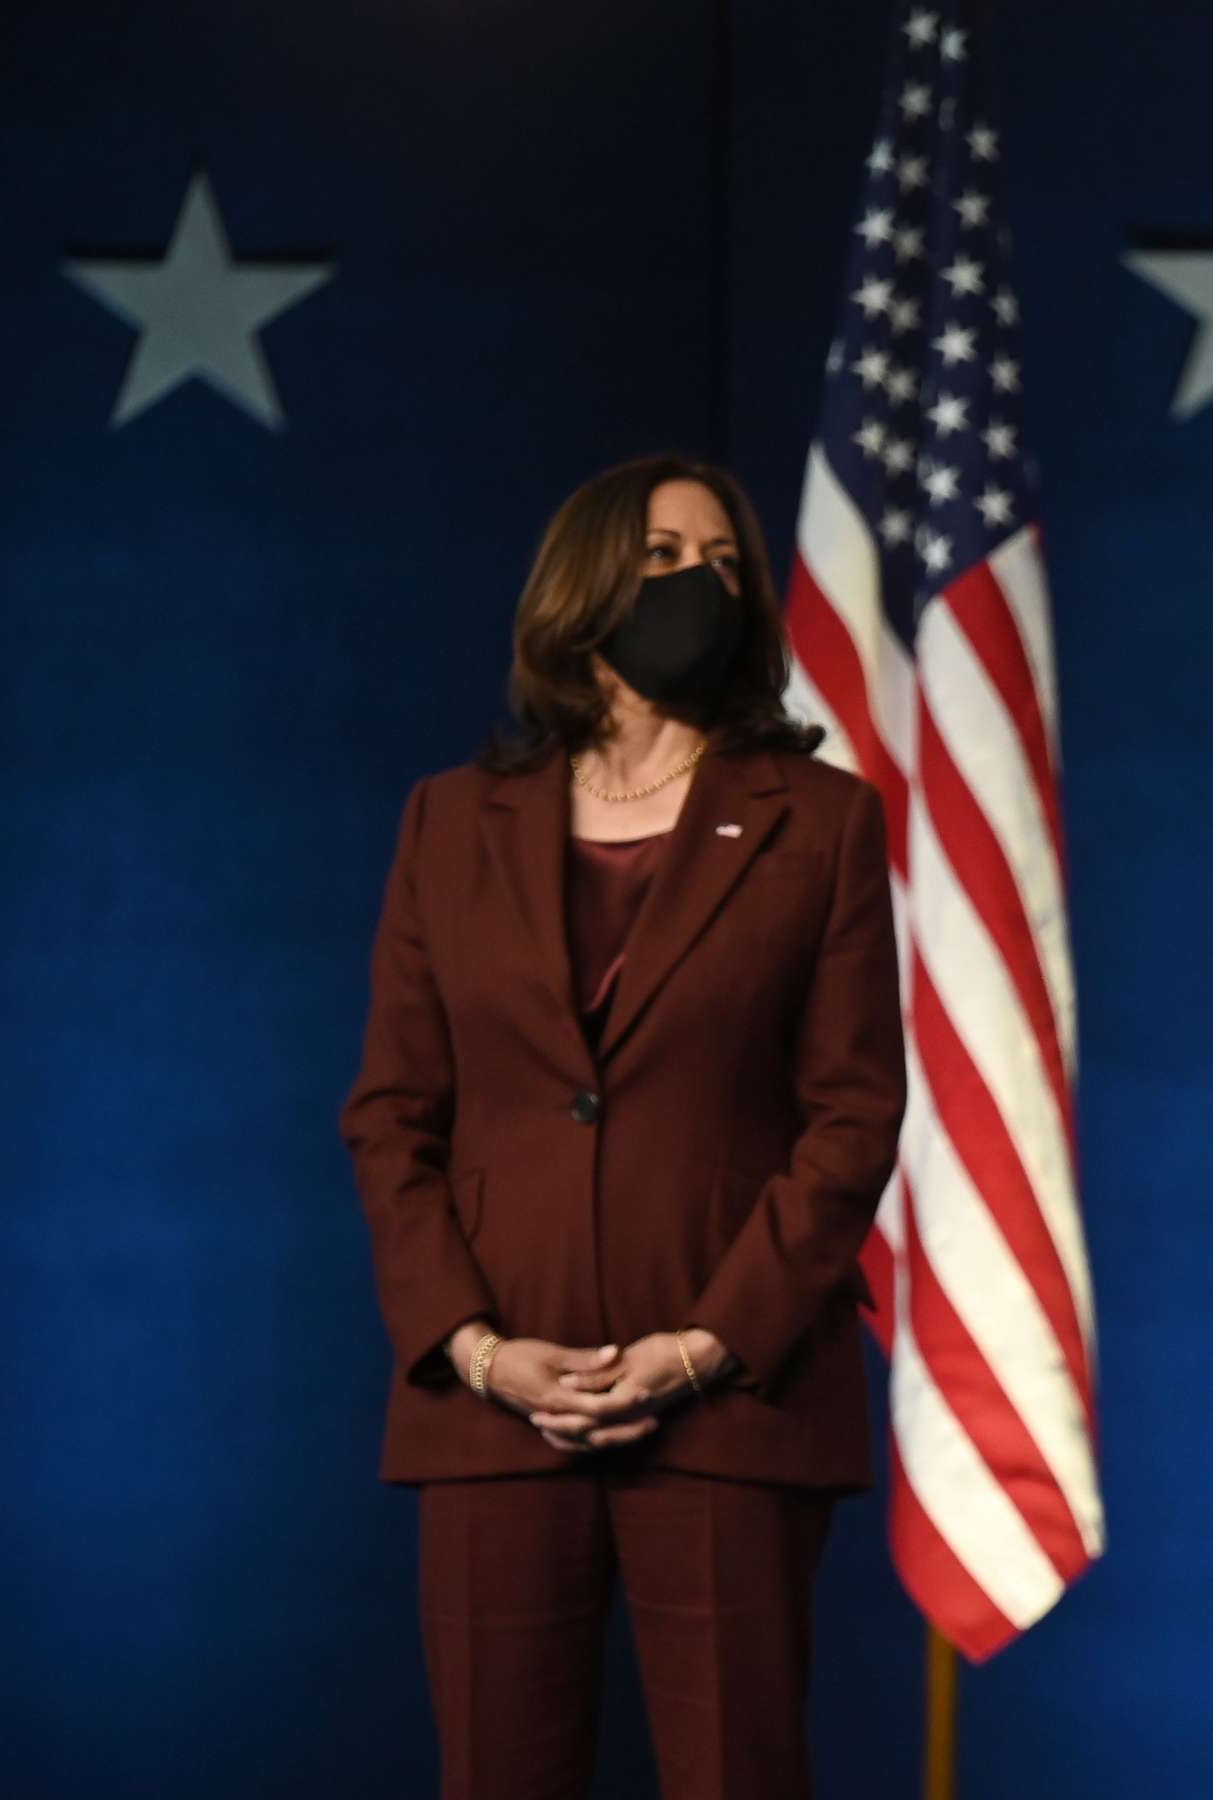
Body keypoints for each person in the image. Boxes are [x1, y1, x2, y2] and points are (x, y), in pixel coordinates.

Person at [340, 455, 906, 1800]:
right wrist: (475, 1351)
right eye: (660, 557)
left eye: (722, 563)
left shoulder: (818, 823)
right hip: (493, 1412)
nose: (697, 584)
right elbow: (391, 1116)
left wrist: (702, 1346)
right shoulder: (449, 824)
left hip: (729, 1407)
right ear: (581, 586)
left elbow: (851, 1118)